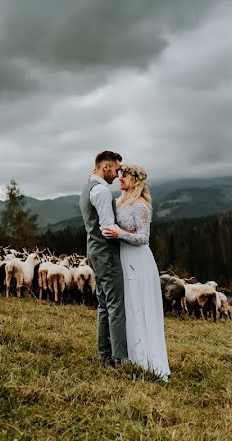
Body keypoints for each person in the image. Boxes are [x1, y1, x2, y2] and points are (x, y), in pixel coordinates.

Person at [101, 164, 170, 380]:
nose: (120, 179)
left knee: (139, 305)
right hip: (123, 258)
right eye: (119, 175)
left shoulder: (140, 206)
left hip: (138, 261)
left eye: (125, 176)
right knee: (128, 307)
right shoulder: (121, 202)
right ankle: (130, 357)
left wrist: (119, 233)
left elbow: (143, 238)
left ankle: (147, 360)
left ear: (136, 180)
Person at [79, 150, 127, 365]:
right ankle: (118, 358)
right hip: (106, 253)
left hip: (94, 251)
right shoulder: (101, 191)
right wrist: (129, 234)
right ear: (105, 166)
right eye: (116, 170)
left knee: (104, 304)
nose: (118, 175)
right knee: (115, 304)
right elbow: (108, 228)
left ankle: (105, 355)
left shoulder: (89, 187)